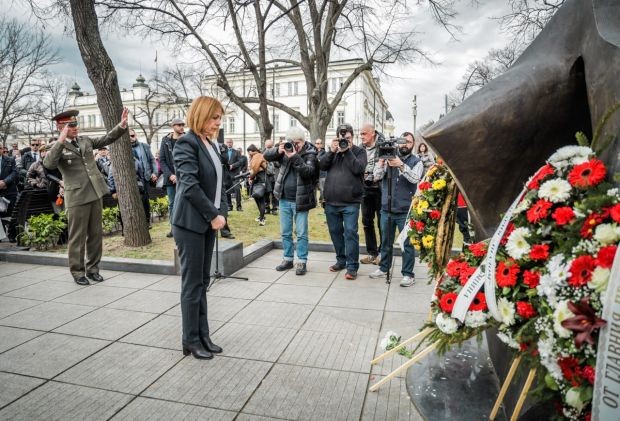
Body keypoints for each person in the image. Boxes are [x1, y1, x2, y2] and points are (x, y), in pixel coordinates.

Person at [43, 108, 129, 286]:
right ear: (61, 126)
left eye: (76, 124)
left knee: (96, 235)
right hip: (76, 196)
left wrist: (121, 126)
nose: (75, 128)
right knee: (77, 237)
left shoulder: (85, 141)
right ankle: (77, 271)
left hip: (94, 192)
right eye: (71, 125)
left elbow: (107, 139)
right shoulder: (55, 146)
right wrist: (60, 139)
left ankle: (93, 269)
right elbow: (49, 164)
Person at [172, 95, 225, 360]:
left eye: (219, 118)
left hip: (207, 221)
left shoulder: (211, 144)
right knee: (192, 284)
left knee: (203, 282)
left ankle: (203, 335)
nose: (218, 123)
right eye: (214, 118)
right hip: (191, 224)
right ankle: (189, 340)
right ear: (200, 115)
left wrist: (221, 213)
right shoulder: (185, 143)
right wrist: (212, 214)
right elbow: (189, 186)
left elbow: (218, 185)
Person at [369, 134, 423, 287]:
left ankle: (408, 274)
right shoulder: (388, 159)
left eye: (409, 142)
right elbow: (376, 176)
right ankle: (383, 267)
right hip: (387, 207)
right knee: (386, 241)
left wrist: (401, 165)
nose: (405, 144)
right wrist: (381, 161)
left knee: (407, 244)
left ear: (413, 144)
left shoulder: (416, 161)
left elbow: (414, 178)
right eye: (402, 141)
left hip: (406, 210)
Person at [264, 127, 318, 276]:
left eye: (298, 142)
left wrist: (294, 156)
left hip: (301, 200)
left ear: (303, 141)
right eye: (292, 142)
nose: (295, 145)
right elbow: (266, 156)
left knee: (301, 233)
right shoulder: (284, 152)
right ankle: (287, 259)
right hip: (284, 199)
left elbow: (308, 172)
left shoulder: (310, 154)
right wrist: (278, 150)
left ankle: (301, 261)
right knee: (285, 232)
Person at [319, 123, 367, 280]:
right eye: (342, 138)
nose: (345, 141)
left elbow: (358, 169)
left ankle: (352, 266)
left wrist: (347, 152)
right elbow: (322, 166)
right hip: (331, 201)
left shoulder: (359, 152)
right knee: (335, 233)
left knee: (351, 233)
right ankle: (341, 260)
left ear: (353, 137)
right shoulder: (334, 151)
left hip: (351, 202)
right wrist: (332, 151)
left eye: (348, 138)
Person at [358, 123, 384, 265]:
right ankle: (372, 253)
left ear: (373, 133)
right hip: (365, 189)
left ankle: (383, 254)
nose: (362, 136)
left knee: (382, 223)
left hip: (380, 189)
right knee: (367, 222)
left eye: (364, 133)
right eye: (361, 134)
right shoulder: (360, 148)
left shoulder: (383, 145)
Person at [160, 117, 185, 238]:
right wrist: (171, 175)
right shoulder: (165, 140)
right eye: (179, 125)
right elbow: (162, 160)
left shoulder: (187, 139)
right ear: (173, 126)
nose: (181, 127)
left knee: (186, 203)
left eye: (182, 125)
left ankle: (185, 228)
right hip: (170, 179)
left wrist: (180, 175)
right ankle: (174, 228)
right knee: (172, 204)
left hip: (185, 177)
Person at [129, 129, 158, 226]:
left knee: (145, 200)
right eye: (129, 136)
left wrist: (154, 173)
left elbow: (152, 160)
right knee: (136, 201)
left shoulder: (144, 146)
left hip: (145, 178)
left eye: (132, 135)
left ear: (136, 135)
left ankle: (147, 221)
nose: (131, 138)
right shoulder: (125, 148)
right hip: (133, 179)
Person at [247, 144, 269, 226]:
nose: (248, 154)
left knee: (261, 199)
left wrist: (251, 177)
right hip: (258, 178)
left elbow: (255, 169)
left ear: (250, 151)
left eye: (248, 152)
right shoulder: (256, 155)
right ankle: (261, 216)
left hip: (260, 178)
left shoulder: (257, 156)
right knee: (257, 197)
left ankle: (262, 219)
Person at [0, 144, 18, 240]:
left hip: (9, 191)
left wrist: (5, 182)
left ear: (2, 149)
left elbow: (15, 173)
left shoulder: (10, 160)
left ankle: (12, 235)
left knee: (12, 214)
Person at [223, 138, 243, 211]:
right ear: (226, 143)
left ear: (232, 143)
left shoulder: (237, 152)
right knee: (227, 189)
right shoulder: (223, 152)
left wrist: (233, 166)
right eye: (228, 142)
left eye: (230, 142)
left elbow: (240, 162)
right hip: (226, 174)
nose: (229, 143)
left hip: (235, 174)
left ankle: (239, 206)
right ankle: (229, 205)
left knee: (237, 189)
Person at [263, 138, 279, 215]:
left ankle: (274, 208)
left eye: (270, 147)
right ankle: (266, 208)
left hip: (274, 175)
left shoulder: (276, 154)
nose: (269, 149)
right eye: (268, 147)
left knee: (274, 193)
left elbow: (279, 164)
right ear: (265, 146)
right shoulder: (262, 154)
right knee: (266, 192)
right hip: (266, 176)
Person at [314, 138, 327, 206]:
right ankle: (314, 203)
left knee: (322, 190)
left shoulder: (325, 153)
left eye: (319, 143)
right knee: (314, 190)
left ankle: (322, 202)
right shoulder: (313, 152)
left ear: (322, 144)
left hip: (322, 174)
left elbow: (323, 162)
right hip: (314, 174)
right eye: (317, 143)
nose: (318, 145)